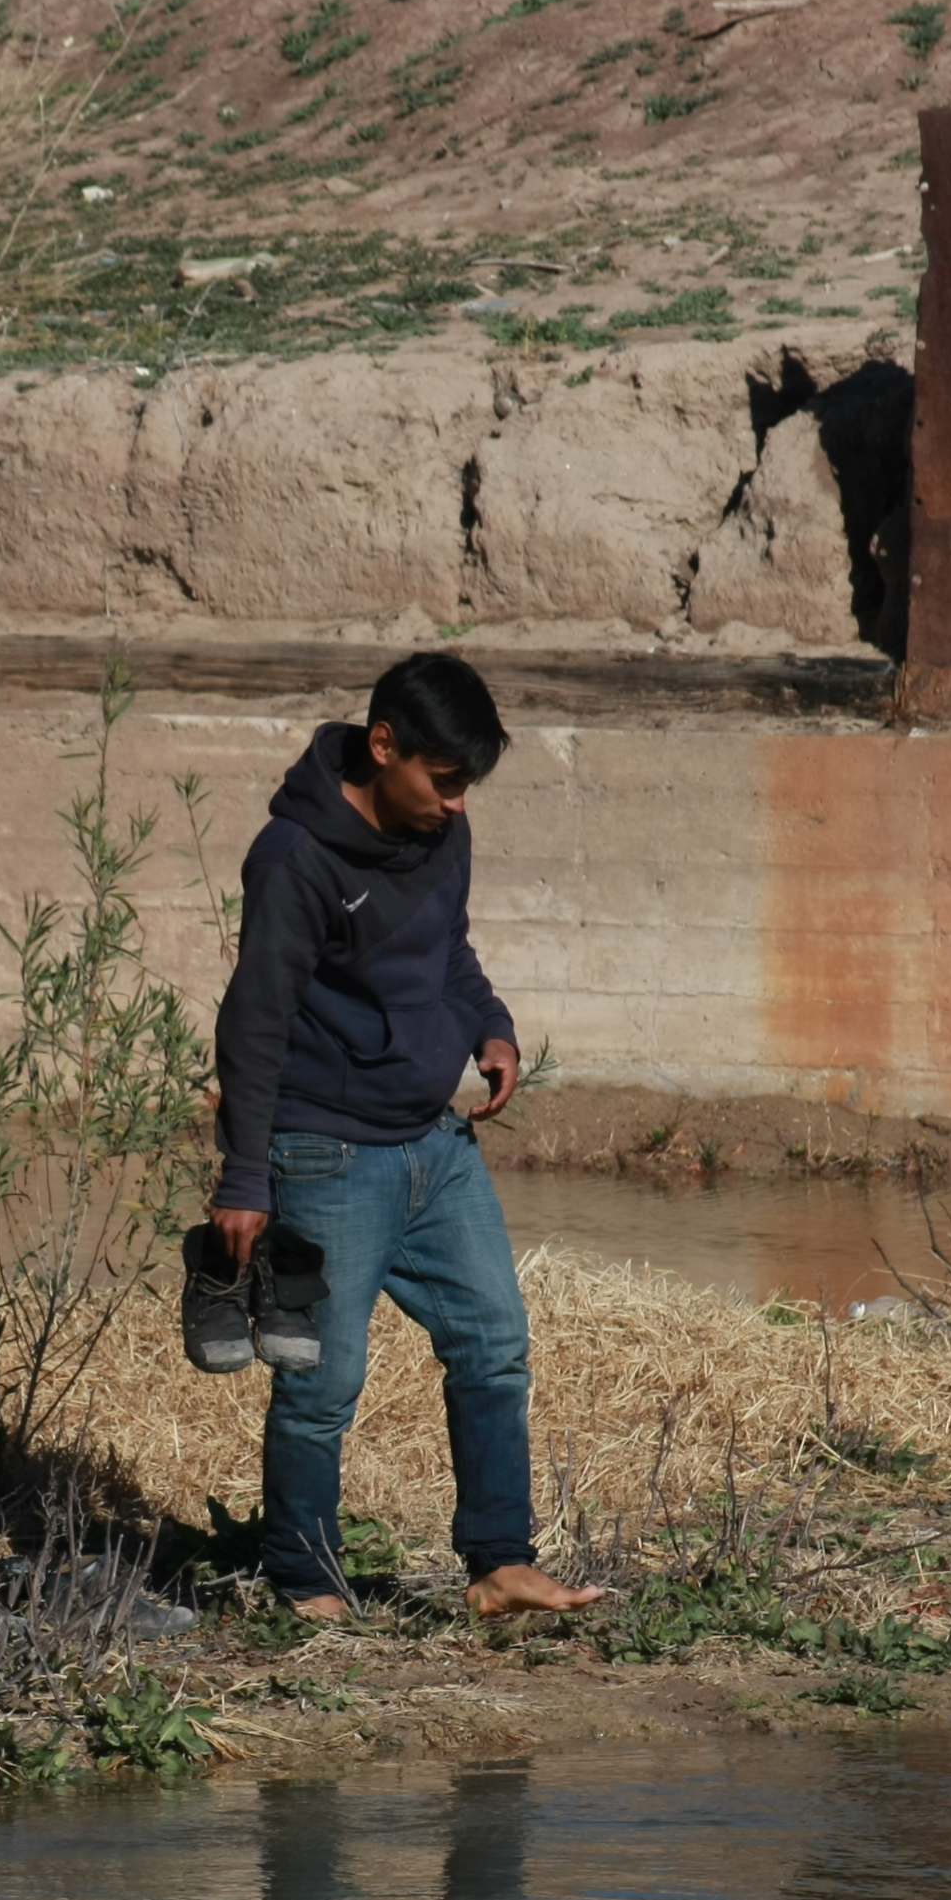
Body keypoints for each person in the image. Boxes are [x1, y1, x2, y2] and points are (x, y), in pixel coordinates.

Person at [205, 651, 607, 1625]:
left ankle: (499, 1564)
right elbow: (252, 1025)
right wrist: (245, 1178)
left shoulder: (439, 833)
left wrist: (490, 1025)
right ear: (383, 747)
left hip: (435, 1147)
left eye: (468, 784)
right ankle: (304, 1582)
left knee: (493, 1341)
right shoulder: (293, 861)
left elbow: (450, 950)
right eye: (444, 780)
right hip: (325, 1157)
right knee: (322, 1380)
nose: (458, 804)